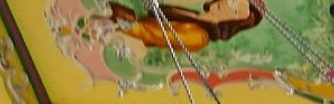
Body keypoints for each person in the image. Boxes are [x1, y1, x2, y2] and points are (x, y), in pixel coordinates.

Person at [104, 0, 263, 52]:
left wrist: (124, 20)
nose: (229, 3)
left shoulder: (199, 37)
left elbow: (151, 34)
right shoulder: (192, 15)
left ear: (234, 20)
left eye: (236, 9)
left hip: (122, 31)